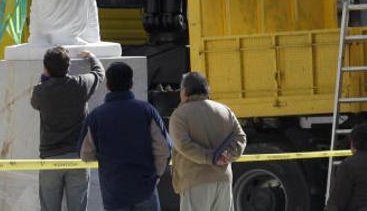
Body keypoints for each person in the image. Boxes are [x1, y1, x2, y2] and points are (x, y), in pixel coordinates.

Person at [80, 62, 171, 210]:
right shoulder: (147, 111)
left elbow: (85, 154)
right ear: (131, 83)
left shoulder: (96, 117)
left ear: (107, 85)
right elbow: (164, 149)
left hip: (114, 191)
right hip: (145, 188)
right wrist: (155, 176)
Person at [31, 47, 105, 211]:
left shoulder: (40, 91)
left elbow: (34, 103)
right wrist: (92, 57)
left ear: (46, 68)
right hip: (77, 158)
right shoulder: (80, 84)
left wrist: (45, 79)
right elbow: (99, 73)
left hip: (50, 159)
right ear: (68, 66)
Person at [169, 72, 247, 210]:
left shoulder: (180, 115)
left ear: (185, 91)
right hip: (223, 179)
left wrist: (210, 158)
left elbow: (183, 145)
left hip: (195, 179)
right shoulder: (224, 110)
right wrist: (227, 155)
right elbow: (240, 137)